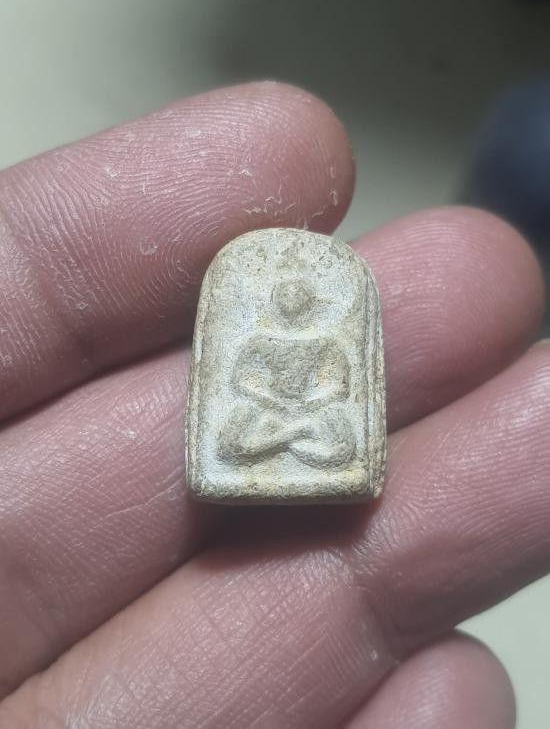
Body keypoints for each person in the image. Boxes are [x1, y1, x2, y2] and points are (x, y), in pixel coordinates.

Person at [0, 81, 546, 728]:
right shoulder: (255, 338)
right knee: (236, 439)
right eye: (282, 297)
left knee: (337, 443)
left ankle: (295, 451)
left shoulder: (327, 338)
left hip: (309, 426)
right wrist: (275, 412)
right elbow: (249, 386)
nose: (289, 304)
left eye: (298, 298)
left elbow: (335, 388)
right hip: (267, 425)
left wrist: (303, 413)